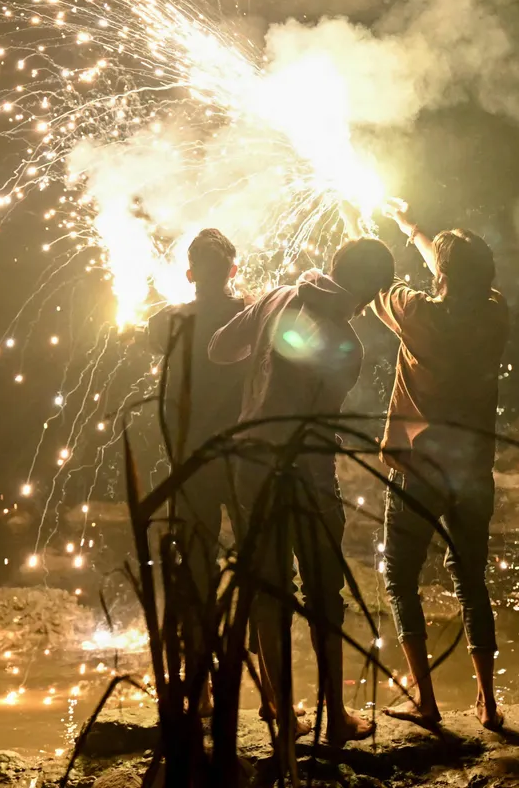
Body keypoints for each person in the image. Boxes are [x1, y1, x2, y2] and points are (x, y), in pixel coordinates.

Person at [207, 237, 395, 745]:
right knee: (324, 594)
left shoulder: (274, 296)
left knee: (270, 588)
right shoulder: (347, 343)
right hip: (306, 475)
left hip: (249, 464)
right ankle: (335, 717)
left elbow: (218, 349)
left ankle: (283, 716)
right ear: (370, 292)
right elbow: (319, 419)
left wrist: (259, 326)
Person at [372, 199, 509, 732]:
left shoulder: (416, 314)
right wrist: (415, 229)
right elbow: (452, 276)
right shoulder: (495, 315)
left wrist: (376, 235)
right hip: (473, 471)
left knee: (400, 576)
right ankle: (489, 705)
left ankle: (425, 701)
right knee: (471, 581)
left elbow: (377, 283)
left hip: (418, 467)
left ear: (443, 277)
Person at [145, 228, 248, 706]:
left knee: (196, 571)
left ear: (188, 274)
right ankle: (270, 696)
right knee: (257, 571)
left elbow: (151, 337)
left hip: (190, 465)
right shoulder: (250, 314)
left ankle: (201, 690)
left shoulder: (168, 321)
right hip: (243, 460)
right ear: (233, 270)